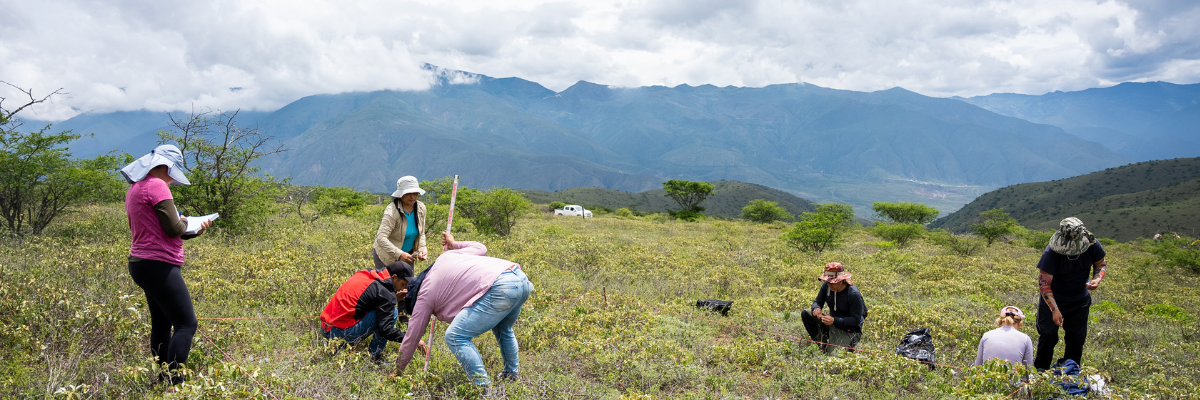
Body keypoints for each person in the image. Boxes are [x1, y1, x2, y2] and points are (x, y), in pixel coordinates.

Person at [121, 144, 212, 388]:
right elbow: (174, 229)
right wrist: (186, 222)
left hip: (141, 264)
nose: (173, 179)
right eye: (173, 171)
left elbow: (166, 231)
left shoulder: (136, 187)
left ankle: (162, 379)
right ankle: (175, 383)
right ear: (164, 166)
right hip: (159, 263)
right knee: (186, 324)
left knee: (162, 323)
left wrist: (187, 228)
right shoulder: (157, 185)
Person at [396, 232, 534, 391]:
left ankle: (483, 388)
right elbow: (480, 248)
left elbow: (412, 337)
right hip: (519, 277)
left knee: (455, 336)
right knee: (504, 328)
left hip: (500, 287)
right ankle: (511, 375)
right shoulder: (444, 258)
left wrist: (398, 371)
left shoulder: (424, 296)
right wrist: (454, 243)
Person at [1034, 217, 1107, 370]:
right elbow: (1044, 285)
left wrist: (1097, 279)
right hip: (1054, 298)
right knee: (1048, 335)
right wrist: (1055, 310)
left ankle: (1070, 371)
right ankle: (1041, 371)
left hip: (1079, 299)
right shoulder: (1051, 253)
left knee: (1076, 338)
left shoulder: (1093, 245)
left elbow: (1101, 264)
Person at [318, 261, 425, 364]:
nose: (402, 288)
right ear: (394, 277)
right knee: (393, 313)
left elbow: (370, 297)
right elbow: (385, 331)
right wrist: (412, 339)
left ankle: (334, 344)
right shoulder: (385, 293)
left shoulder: (367, 273)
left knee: (384, 311)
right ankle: (374, 357)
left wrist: (394, 298)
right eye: (402, 284)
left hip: (325, 328)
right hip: (340, 333)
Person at [800, 262, 866, 354]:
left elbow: (856, 320)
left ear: (842, 280)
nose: (829, 285)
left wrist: (834, 320)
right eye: (827, 282)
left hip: (850, 329)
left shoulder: (853, 294)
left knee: (836, 355)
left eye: (832, 282)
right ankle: (823, 343)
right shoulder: (827, 287)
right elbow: (817, 302)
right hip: (833, 323)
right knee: (807, 314)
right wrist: (816, 308)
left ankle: (845, 345)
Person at [373, 176, 428, 272]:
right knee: (389, 284)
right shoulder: (392, 211)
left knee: (407, 284)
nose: (412, 196)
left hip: (408, 255)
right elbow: (381, 237)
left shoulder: (420, 208)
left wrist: (422, 248)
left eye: (415, 193)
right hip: (387, 256)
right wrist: (400, 254)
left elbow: (421, 232)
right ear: (401, 194)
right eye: (408, 193)